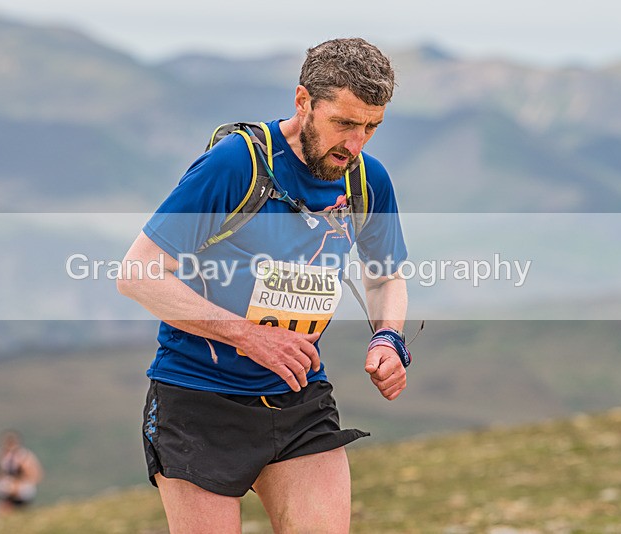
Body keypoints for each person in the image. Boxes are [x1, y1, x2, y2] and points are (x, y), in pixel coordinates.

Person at [118, 37, 409, 533]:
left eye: (371, 127)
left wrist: (388, 336)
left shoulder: (366, 180)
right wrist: (248, 335)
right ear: (303, 102)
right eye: (344, 123)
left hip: (297, 396)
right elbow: (138, 273)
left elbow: (385, 274)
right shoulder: (237, 165)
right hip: (197, 398)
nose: (356, 144)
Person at [0, 430, 44, 514]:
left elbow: (35, 474)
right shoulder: (1, 456)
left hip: (23, 486)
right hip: (7, 486)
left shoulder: (24, 456)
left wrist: (18, 484)